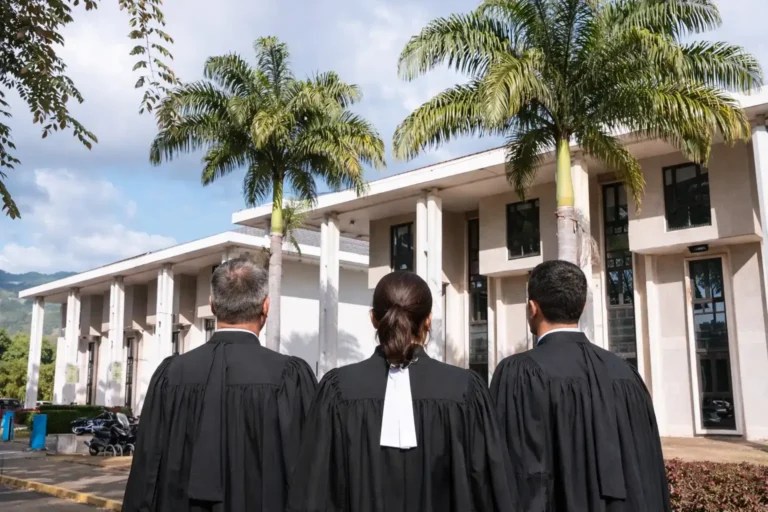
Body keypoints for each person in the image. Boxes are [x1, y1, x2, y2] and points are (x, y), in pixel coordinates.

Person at [287, 271, 513, 512]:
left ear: (374, 319)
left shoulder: (337, 390)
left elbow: (315, 490)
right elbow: (491, 489)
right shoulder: (466, 390)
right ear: (428, 320)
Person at [123, 257, 317, 512]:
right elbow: (310, 474)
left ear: (212, 305)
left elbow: (145, 473)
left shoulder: (171, 376)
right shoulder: (289, 377)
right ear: (266, 306)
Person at [490, 260, 670, 511]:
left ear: (533, 308)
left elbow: (511, 472)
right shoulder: (627, 375)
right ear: (583, 306)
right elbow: (650, 471)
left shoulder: (519, 373)